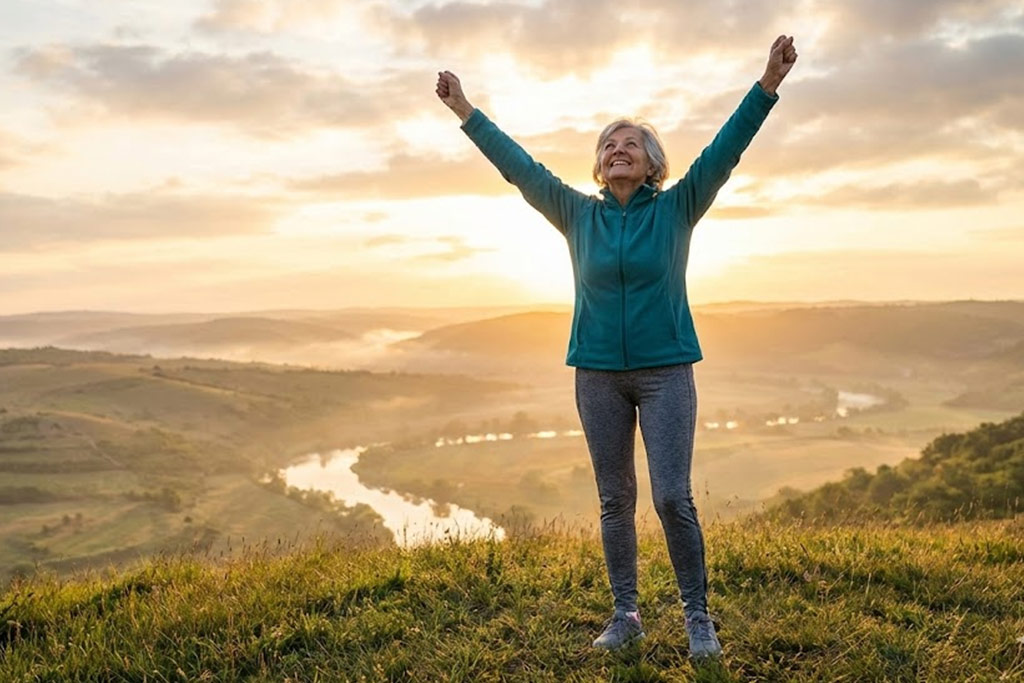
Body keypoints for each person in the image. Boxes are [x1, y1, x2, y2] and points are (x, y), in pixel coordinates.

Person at [436, 36, 798, 658]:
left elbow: (726, 150)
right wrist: (467, 112)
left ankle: (697, 618)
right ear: (600, 168)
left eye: (630, 143)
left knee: (671, 496)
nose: (618, 150)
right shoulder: (578, 214)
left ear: (652, 163)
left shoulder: (679, 206)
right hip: (597, 375)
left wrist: (768, 83)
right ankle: (626, 614)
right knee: (614, 500)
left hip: (665, 373)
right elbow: (520, 167)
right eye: (609, 145)